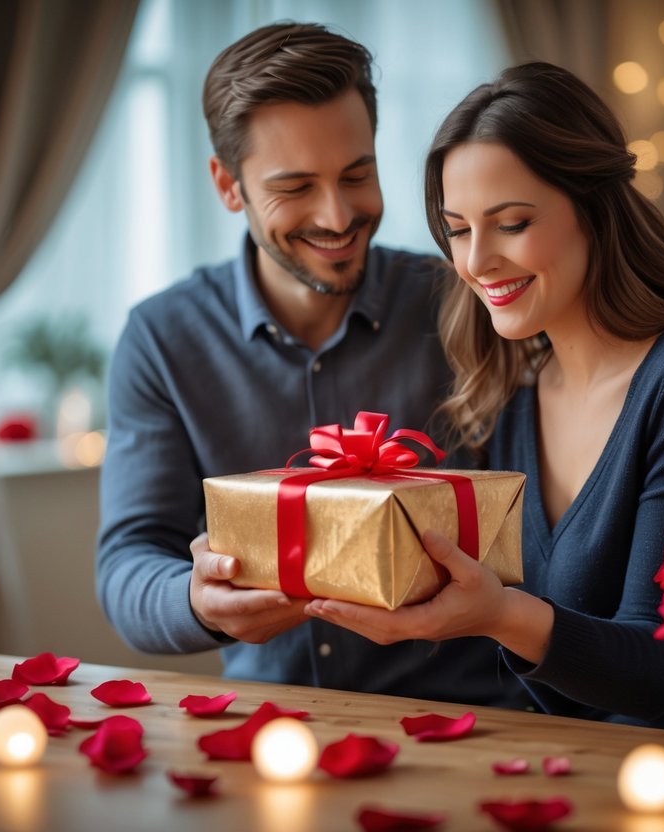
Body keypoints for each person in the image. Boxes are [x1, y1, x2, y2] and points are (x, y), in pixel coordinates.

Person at [304, 61, 664, 737]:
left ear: (593, 211)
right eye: (456, 228)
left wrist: (498, 614)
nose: (475, 261)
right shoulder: (514, 394)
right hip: (571, 771)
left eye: (509, 223)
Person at [96, 23, 532, 709]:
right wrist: (197, 600)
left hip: (469, 719)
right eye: (295, 187)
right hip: (267, 730)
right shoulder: (161, 338)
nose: (337, 215)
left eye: (356, 174)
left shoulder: (464, 302)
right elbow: (127, 562)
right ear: (227, 184)